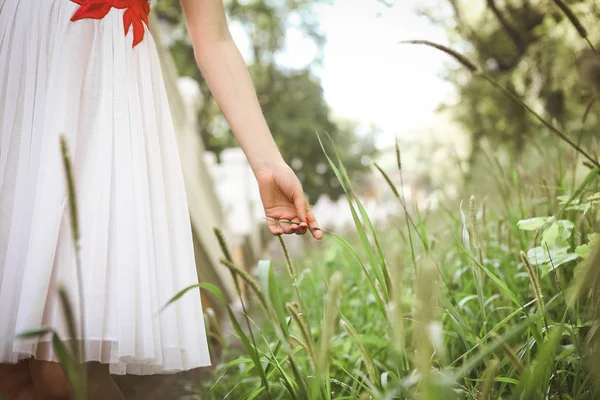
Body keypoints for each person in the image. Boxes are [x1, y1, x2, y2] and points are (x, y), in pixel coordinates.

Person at [0, 0, 323, 398]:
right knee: (9, 375)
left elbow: (214, 37)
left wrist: (268, 164)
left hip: (95, 97)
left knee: (63, 373)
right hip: (13, 79)